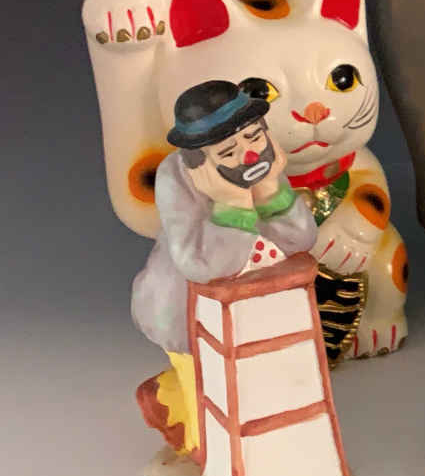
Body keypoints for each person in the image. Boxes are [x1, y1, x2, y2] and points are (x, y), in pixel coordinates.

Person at [132, 79, 316, 454]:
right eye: (228, 151)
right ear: (199, 160)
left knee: (263, 379)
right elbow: (203, 266)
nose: (248, 154)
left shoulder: (260, 162)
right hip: (187, 308)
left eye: (254, 137)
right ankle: (195, 436)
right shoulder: (175, 177)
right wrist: (233, 202)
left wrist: (269, 189)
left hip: (260, 298)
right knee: (209, 386)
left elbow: (300, 240)